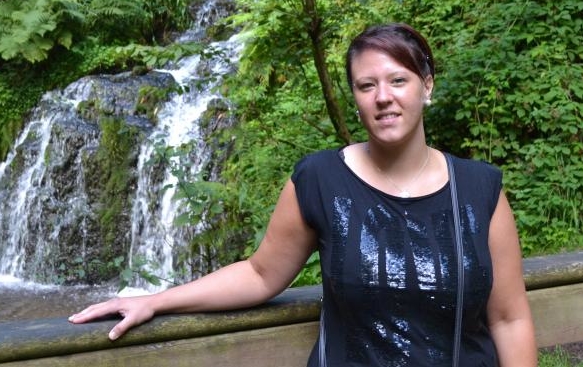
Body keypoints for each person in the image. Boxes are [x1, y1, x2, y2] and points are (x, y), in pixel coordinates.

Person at [69, 22, 537, 366]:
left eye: (398, 80)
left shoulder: (478, 190)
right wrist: (155, 300)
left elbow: (509, 320)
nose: (383, 97)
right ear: (355, 97)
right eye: (367, 85)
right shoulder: (320, 179)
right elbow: (260, 273)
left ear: (426, 87)